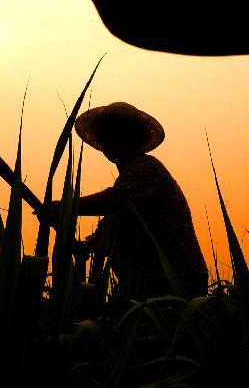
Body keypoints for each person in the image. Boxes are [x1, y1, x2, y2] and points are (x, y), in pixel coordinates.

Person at [50, 102, 208, 298]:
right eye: (105, 133)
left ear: (133, 137)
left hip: (177, 281)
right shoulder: (127, 188)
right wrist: (61, 225)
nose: (108, 139)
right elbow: (97, 243)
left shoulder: (147, 168)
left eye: (116, 132)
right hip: (144, 287)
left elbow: (114, 201)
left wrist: (63, 207)